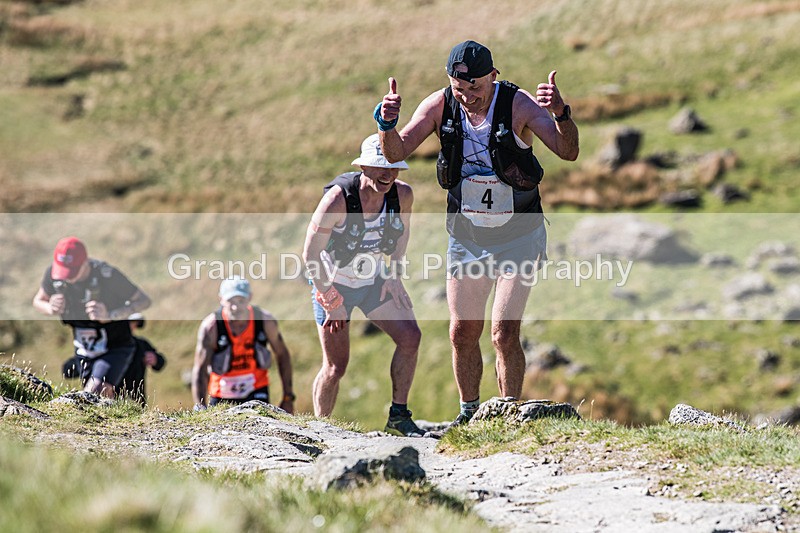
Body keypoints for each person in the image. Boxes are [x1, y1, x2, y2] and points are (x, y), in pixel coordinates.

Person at [376, 40, 580, 426]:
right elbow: (394, 152)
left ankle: (506, 417)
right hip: (467, 236)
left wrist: (560, 113)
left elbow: (567, 151)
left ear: (493, 77)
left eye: (476, 88)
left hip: (519, 234)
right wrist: (386, 123)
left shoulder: (517, 104)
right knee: (461, 331)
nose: (468, 97)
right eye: (460, 88)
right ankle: (469, 415)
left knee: (503, 332)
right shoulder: (440, 105)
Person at [303, 133, 425, 437]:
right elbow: (310, 254)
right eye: (380, 167)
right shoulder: (337, 200)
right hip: (333, 285)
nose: (388, 174)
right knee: (336, 366)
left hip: (373, 281)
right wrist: (331, 299)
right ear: (363, 167)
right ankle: (322, 430)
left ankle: (398, 415)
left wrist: (394, 274)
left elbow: (401, 236)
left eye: (394, 167)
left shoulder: (403, 196)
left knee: (410, 337)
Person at [33, 236, 152, 399]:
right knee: (97, 398)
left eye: (72, 272)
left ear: (85, 262)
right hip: (84, 349)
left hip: (115, 345)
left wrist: (111, 315)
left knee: (96, 389)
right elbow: (38, 301)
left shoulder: (108, 276)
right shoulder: (54, 275)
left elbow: (144, 301)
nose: (67, 277)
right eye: (63, 271)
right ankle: (113, 423)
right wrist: (50, 307)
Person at [192, 277, 295, 412]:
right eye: (230, 301)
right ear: (221, 299)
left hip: (257, 391)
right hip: (220, 394)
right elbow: (200, 367)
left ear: (250, 298)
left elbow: (282, 354)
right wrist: (200, 405)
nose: (236, 307)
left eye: (241, 301)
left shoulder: (265, 321)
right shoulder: (211, 327)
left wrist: (288, 397)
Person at [62, 314, 166, 405]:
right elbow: (68, 369)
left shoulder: (141, 344)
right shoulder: (103, 346)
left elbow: (160, 363)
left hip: (133, 399)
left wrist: (155, 359)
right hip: (102, 397)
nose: (132, 327)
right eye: (130, 323)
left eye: (136, 324)